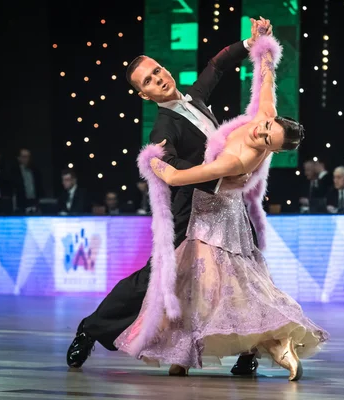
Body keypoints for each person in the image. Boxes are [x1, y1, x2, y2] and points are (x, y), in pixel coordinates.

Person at [115, 29, 328, 381]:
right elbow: (263, 84)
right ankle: (188, 353)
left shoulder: (237, 162)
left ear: (271, 149)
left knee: (222, 289)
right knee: (200, 286)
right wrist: (261, 50)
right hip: (218, 214)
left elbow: (182, 177)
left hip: (213, 217)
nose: (261, 130)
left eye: (266, 138)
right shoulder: (264, 115)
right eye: (267, 126)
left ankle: (270, 345)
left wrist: (154, 163)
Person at [66, 17, 272, 375]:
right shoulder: (164, 126)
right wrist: (221, 177)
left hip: (226, 207)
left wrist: (250, 42)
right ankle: (92, 327)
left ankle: (248, 350)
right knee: (154, 280)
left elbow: (217, 65)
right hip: (191, 211)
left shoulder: (193, 96)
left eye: (157, 70)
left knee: (247, 270)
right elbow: (171, 169)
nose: (158, 78)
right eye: (149, 80)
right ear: (144, 94)